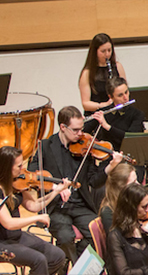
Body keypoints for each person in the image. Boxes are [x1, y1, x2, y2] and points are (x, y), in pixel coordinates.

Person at [28, 106, 123, 264]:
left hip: (80, 206)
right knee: (65, 237)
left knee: (101, 234)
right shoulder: (45, 146)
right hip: (54, 206)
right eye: (76, 130)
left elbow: (94, 181)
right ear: (63, 127)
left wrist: (110, 167)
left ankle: (76, 266)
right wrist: (55, 189)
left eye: (82, 129)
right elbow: (33, 176)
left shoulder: (85, 147)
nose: (81, 133)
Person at [0, 146, 67, 275]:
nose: (23, 170)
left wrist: (56, 191)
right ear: (7, 167)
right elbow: (8, 223)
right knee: (39, 260)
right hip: (2, 243)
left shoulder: (15, 183)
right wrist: (37, 218)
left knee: (57, 256)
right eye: (19, 166)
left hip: (15, 237)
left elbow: (34, 205)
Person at [106, 184, 148, 275]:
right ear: (131, 208)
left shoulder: (146, 229)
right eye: (144, 207)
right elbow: (124, 273)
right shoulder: (115, 237)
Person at [83, 77, 145, 151]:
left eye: (126, 92)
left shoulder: (137, 114)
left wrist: (107, 127)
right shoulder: (104, 112)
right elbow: (83, 131)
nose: (125, 97)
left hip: (128, 154)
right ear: (111, 97)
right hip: (106, 155)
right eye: (120, 95)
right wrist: (80, 124)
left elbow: (130, 138)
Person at [79, 33, 128, 117]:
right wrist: (102, 105)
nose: (107, 54)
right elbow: (85, 104)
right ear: (95, 52)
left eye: (109, 50)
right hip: (97, 115)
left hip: (116, 113)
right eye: (103, 51)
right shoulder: (87, 73)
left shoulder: (118, 67)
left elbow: (125, 90)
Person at [99, 163, 138, 235]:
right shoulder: (107, 212)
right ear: (121, 187)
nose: (138, 185)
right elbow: (117, 239)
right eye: (134, 182)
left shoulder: (129, 200)